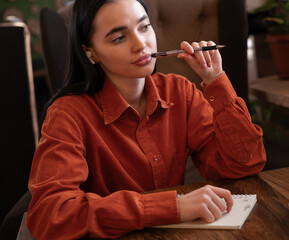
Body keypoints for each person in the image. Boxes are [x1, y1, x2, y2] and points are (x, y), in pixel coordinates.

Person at [26, 0, 266, 239]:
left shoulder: (179, 92)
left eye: (144, 27)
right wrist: (172, 207)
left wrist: (216, 81)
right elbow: (50, 215)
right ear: (91, 52)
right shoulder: (67, 114)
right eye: (119, 38)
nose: (141, 44)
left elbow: (245, 165)